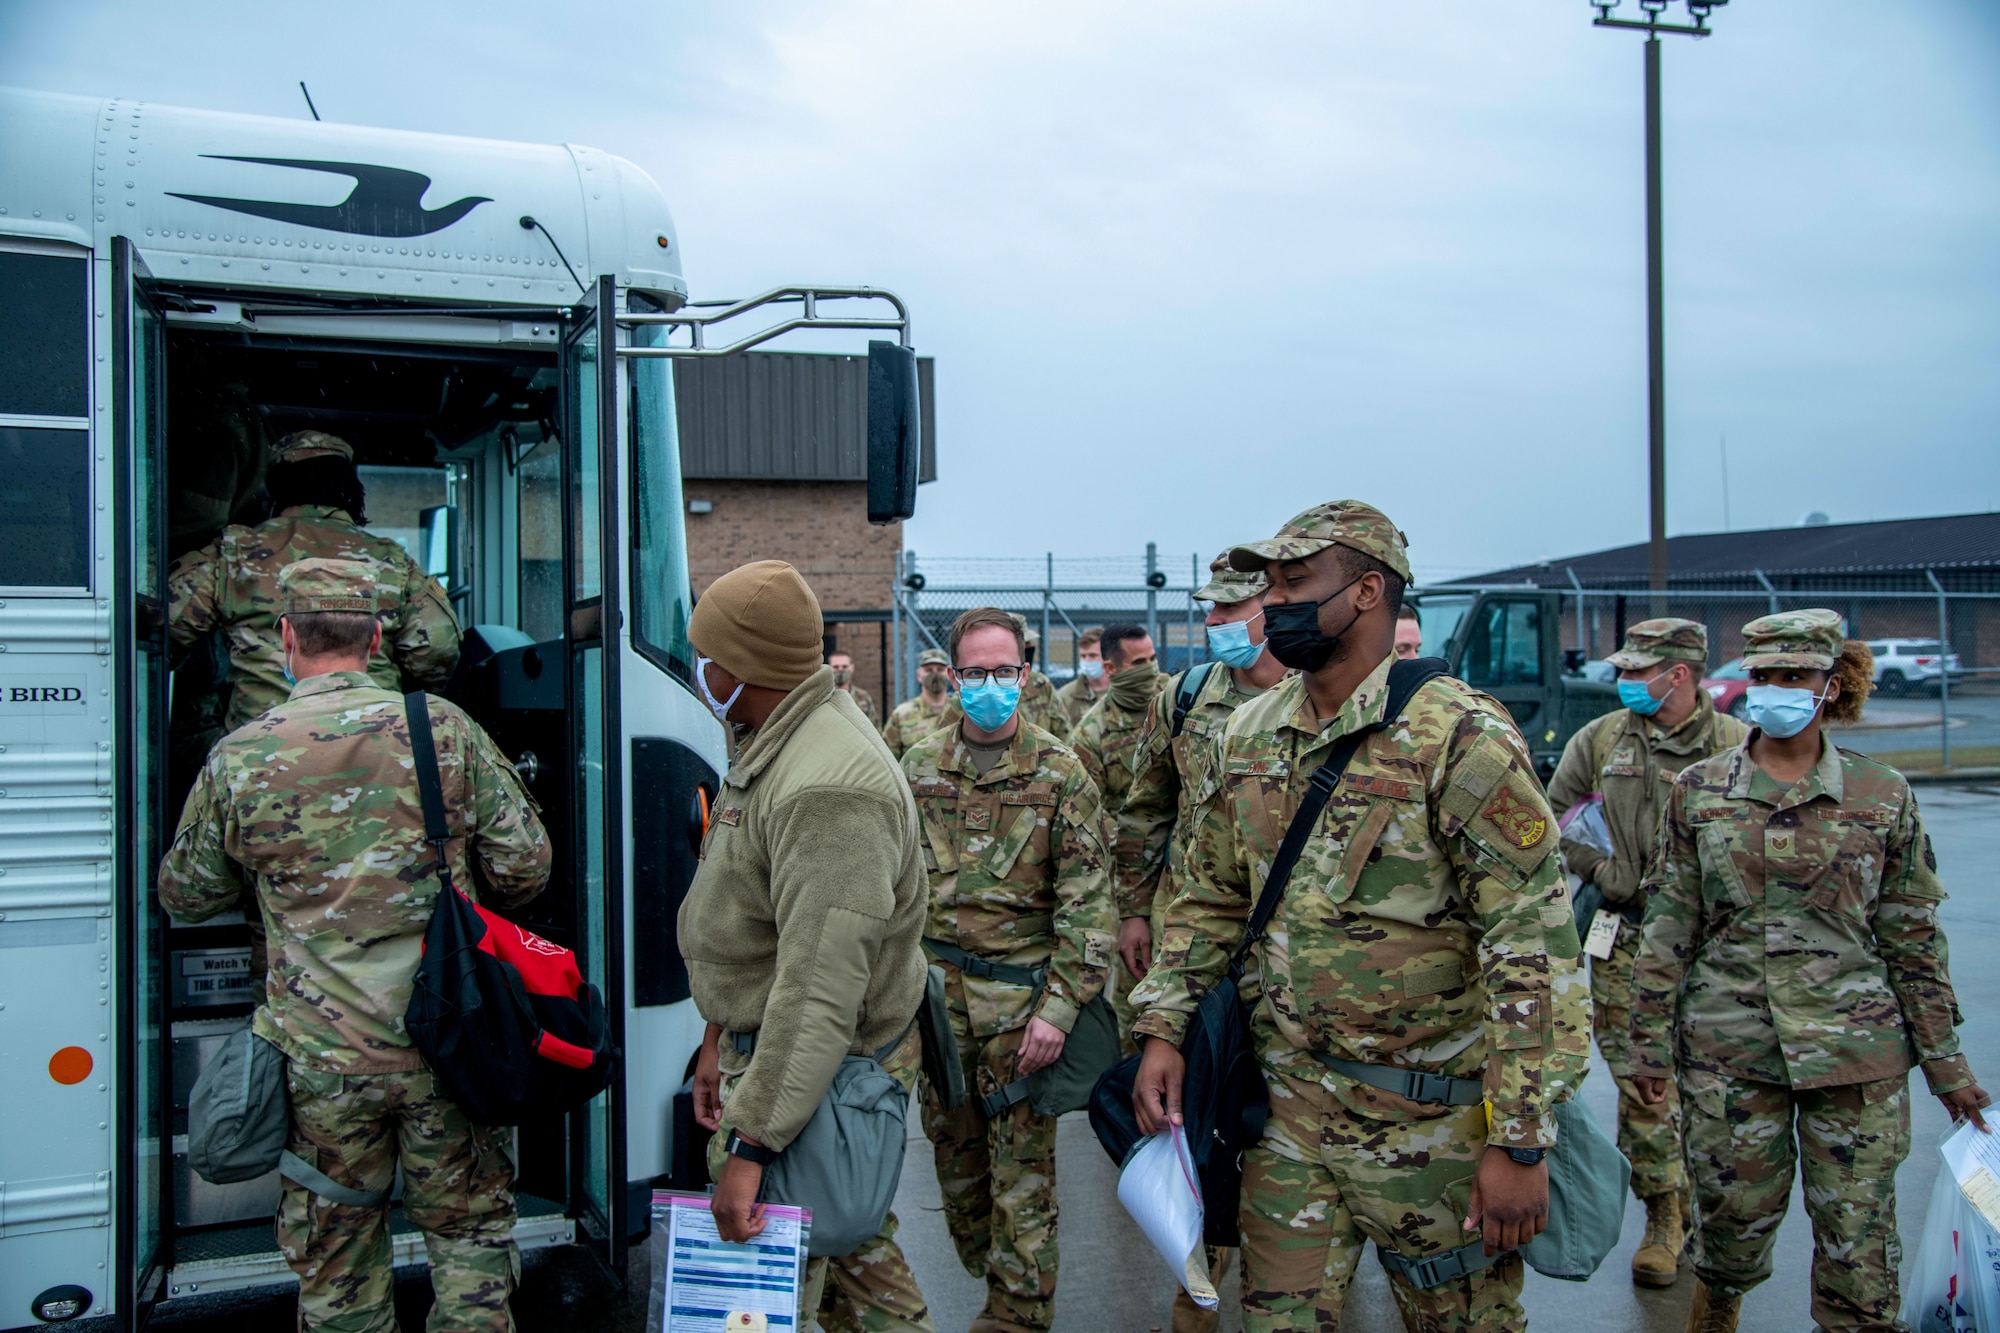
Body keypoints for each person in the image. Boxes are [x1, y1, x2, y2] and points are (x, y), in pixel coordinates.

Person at [1130, 501, 1589, 1333]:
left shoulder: (1458, 735)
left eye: (1296, 582)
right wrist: (1164, 1027)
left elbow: (1531, 944)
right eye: (1268, 585)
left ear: (1368, 591)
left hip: (1436, 1124)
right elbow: (1211, 895)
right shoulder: (1251, 732)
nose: (1274, 603)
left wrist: (1520, 1139)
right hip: (1290, 1109)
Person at [157, 558, 551, 1333]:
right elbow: (526, 866)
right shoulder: (442, 727)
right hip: (450, 1047)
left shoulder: (241, 756)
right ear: (376, 636)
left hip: (320, 1061)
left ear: (284, 638)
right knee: (469, 1235)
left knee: (336, 1261)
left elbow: (186, 892)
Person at [1629, 609, 1991, 1333]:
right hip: (1731, 1054)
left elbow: (1912, 938)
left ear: (1832, 686)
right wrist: (1647, 1044)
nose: (1777, 690)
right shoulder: (1700, 790)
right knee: (1730, 1233)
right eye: (1765, 676)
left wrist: (1947, 1064)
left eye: (1795, 676)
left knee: (1860, 1254)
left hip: (1857, 1059)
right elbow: (1670, 923)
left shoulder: (1882, 793)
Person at [678, 560, 935, 1333]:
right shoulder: (780, 736)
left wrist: (752, 1147)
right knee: (852, 1261)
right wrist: (716, 1041)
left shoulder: (829, 788)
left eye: (705, 653)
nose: (697, 668)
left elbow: (819, 991)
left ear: (741, 665)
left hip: (814, 1072)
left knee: (757, 1295)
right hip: (783, 1065)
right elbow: (753, 928)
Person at [900, 606, 1117, 1333]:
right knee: (961, 1183)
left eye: (1001, 671)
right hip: (936, 1011)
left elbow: (1089, 906)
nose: (987, 684)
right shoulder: (919, 766)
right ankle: (995, 1279)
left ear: (1024, 675)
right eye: (973, 672)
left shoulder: (1060, 771)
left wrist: (1058, 1012)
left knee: (1022, 1186)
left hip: (1022, 1018)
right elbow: (893, 888)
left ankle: (1016, 1317)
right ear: (952, 675)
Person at [1543, 617, 1744, 1289]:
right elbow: (1558, 814)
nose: (1624, 682)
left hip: (1717, 944)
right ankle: (1665, 1210)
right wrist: (1603, 869)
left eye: (1636, 671)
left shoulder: (1739, 745)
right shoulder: (1602, 740)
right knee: (1641, 1075)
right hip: (1626, 933)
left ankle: (1714, 1204)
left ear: (1679, 673)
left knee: (1713, 1081)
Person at [1116, 553, 1288, 1333]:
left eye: (1232, 610)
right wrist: (1134, 911)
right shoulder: (1184, 697)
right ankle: (1200, 1264)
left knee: (1280, 1113)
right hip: (1198, 936)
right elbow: (1146, 807)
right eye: (1209, 612)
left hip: (1293, 943)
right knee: (1196, 1104)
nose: (1216, 624)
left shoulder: (1314, 697)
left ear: (1272, 609)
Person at [168, 430, 462, 732]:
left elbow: (165, 630)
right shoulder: (392, 561)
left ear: (276, 489)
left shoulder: (234, 553)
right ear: (351, 489)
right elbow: (438, 650)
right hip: (374, 748)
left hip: (260, 752)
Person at [1070, 623, 1166, 1051]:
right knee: (1139, 1003)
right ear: (1110, 668)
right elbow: (1090, 821)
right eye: (1139, 664)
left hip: (1194, 873)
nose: (1151, 671)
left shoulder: (1179, 701)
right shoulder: (1093, 735)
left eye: (1153, 659)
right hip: (1133, 883)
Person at [882, 647, 956, 761]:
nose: (935, 674)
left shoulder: (959, 711)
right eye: (929, 670)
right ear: (919, 675)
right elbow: (888, 760)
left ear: (948, 674)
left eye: (940, 669)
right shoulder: (902, 715)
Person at [1010, 615, 1073, 742]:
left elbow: (1063, 731)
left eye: (1029, 643)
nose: (1028, 648)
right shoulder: (980, 688)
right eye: (1023, 644)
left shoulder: (1040, 685)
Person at [1055, 627, 1111, 726]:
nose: (1087, 661)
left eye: (1093, 655)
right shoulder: (1066, 696)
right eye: (1083, 656)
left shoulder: (1123, 691)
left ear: (1108, 657)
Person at [829, 649, 879, 725]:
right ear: (829, 668)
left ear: (852, 668)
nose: (840, 670)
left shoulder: (863, 697)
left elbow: (874, 728)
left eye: (844, 666)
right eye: (836, 667)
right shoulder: (825, 697)